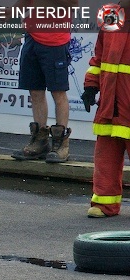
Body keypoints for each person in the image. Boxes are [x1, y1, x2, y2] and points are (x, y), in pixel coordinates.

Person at [10, 0, 78, 163]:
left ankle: (61, 145)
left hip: (55, 41)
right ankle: (40, 142)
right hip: (32, 37)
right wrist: (9, 13)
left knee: (58, 92)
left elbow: (73, 5)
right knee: (35, 91)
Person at [80, 5, 130, 218]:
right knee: (106, 157)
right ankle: (104, 203)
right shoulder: (112, 17)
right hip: (110, 104)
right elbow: (99, 57)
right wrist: (91, 86)